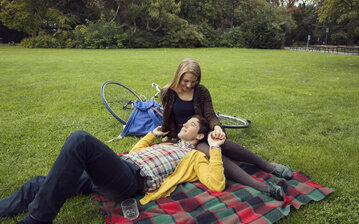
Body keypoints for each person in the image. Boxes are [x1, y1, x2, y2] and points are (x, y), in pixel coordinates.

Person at [1, 115, 228, 224]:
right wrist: (151, 136)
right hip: (121, 167)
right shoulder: (168, 144)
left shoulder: (195, 156)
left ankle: (37, 220)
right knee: (39, 183)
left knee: (81, 141)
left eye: (191, 125)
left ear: (199, 135)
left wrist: (215, 148)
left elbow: (216, 182)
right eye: (186, 122)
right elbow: (135, 152)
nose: (184, 124)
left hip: (130, 180)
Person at [160, 58, 293, 196]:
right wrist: (166, 136)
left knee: (225, 144)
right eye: (185, 81)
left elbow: (210, 114)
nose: (189, 85)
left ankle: (268, 166)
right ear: (178, 76)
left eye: (193, 82)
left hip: (204, 129)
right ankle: (260, 186)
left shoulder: (201, 91)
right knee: (212, 151)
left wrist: (216, 127)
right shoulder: (168, 92)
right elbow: (167, 117)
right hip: (187, 135)